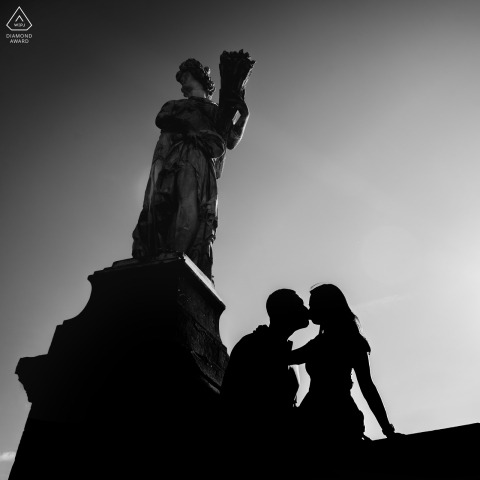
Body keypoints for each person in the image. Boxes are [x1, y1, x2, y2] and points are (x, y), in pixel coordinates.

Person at [132, 58, 249, 279]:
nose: (181, 79)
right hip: (174, 157)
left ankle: (177, 255)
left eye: (185, 74)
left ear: (198, 76)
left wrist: (243, 116)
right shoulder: (175, 105)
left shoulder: (217, 112)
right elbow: (163, 119)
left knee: (190, 207)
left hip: (199, 160)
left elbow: (230, 140)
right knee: (163, 206)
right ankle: (163, 254)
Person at [290, 284, 398, 452]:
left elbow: (367, 388)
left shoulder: (332, 343)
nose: (310, 310)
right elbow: (368, 387)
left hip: (329, 418)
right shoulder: (325, 342)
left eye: (313, 306)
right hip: (328, 416)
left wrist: (388, 430)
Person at [220, 289, 310, 452]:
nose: (306, 309)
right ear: (284, 311)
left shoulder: (288, 355)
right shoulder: (251, 345)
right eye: (300, 304)